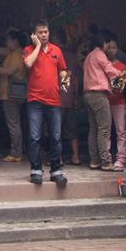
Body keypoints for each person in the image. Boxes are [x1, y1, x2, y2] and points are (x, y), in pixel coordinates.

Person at [23, 19, 70, 186]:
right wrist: (37, 47)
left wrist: (65, 78)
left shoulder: (56, 50)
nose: (43, 35)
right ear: (34, 35)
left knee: (56, 137)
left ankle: (56, 170)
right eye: (40, 32)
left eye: (46, 32)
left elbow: (62, 70)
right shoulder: (28, 50)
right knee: (35, 137)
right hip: (35, 100)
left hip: (53, 100)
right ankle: (36, 170)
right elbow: (28, 63)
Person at [0, 30, 27, 162]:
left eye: (8, 40)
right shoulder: (12, 53)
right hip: (9, 94)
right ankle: (17, 150)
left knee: (13, 124)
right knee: (14, 123)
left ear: (16, 41)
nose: (6, 43)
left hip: (12, 95)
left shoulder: (17, 56)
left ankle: (16, 153)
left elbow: (9, 71)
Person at [83, 30, 123, 172]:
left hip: (88, 95)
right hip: (99, 95)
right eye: (107, 44)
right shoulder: (99, 54)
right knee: (104, 130)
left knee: (93, 129)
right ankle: (106, 162)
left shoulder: (88, 56)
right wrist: (121, 73)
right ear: (103, 43)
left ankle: (94, 160)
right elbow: (110, 70)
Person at [50, 27, 81, 166]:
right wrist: (75, 97)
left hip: (57, 97)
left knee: (56, 130)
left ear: (56, 39)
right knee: (72, 129)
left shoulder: (54, 54)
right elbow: (75, 79)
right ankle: (76, 156)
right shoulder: (73, 56)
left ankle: (59, 158)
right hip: (70, 98)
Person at [105, 38, 126, 170]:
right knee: (106, 131)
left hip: (119, 101)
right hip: (106, 101)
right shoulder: (104, 65)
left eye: (114, 47)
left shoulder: (122, 66)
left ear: (117, 49)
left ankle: (121, 158)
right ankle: (107, 157)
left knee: (121, 130)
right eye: (109, 48)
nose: (112, 50)